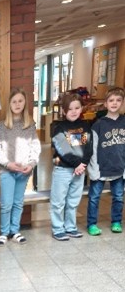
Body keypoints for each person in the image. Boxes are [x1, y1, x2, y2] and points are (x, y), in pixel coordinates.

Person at [0, 88, 41, 245]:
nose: (17, 104)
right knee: (7, 203)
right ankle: (4, 232)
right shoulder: (2, 126)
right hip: (6, 171)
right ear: (9, 104)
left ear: (25, 103)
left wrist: (31, 164)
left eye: (20, 101)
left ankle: (15, 231)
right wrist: (8, 164)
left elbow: (35, 148)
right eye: (14, 101)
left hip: (23, 172)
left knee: (18, 203)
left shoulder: (30, 126)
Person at [49, 92, 93, 241]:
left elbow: (89, 148)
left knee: (73, 201)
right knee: (58, 201)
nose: (74, 111)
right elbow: (63, 149)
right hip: (63, 170)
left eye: (77, 108)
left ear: (81, 109)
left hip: (80, 171)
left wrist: (83, 164)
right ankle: (58, 228)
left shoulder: (85, 126)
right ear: (63, 111)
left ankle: (70, 227)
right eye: (70, 109)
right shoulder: (59, 127)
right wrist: (77, 164)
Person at [86, 86, 125, 236]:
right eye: (111, 100)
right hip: (101, 168)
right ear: (106, 103)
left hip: (119, 169)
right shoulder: (98, 124)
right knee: (94, 197)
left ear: (122, 103)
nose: (114, 103)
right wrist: (94, 169)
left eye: (118, 100)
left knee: (118, 197)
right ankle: (92, 224)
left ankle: (116, 221)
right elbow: (93, 148)